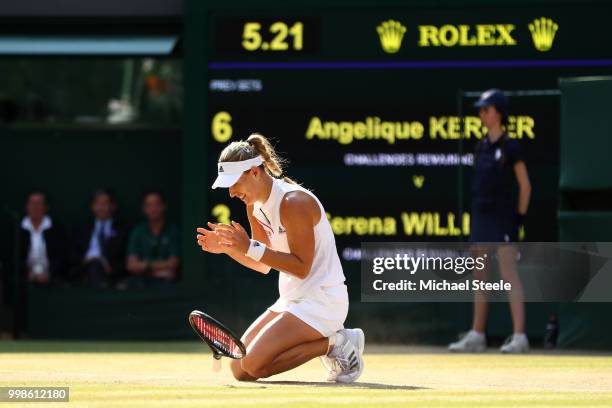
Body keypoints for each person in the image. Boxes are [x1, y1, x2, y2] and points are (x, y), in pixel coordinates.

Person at [196, 133, 364, 383]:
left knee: (254, 364)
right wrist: (230, 248)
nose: (231, 193)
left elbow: (302, 268)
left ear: (254, 172)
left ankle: (335, 343)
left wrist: (248, 246)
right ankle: (331, 342)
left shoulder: (294, 202)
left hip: (323, 301)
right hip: (292, 299)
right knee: (240, 370)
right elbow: (263, 264)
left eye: (234, 183)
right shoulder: (253, 206)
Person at [449, 89, 532, 354]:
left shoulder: (511, 146)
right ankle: (477, 335)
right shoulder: (481, 145)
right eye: (480, 110)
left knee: (509, 274)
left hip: (504, 217)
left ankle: (520, 336)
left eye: (486, 109)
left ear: (498, 112)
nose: (482, 114)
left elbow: (525, 185)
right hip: (482, 216)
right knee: (480, 277)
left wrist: (518, 218)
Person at [71, 189, 128, 288]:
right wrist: (85, 261)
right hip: (85, 270)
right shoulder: (82, 229)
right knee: (94, 265)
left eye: (105, 203)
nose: (101, 207)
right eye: (97, 203)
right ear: (92, 207)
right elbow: (73, 255)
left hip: (111, 273)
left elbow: (125, 257)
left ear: (113, 206)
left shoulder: (122, 229)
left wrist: (109, 266)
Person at [125, 190, 180, 287]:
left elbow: (174, 263)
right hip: (141, 282)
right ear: (144, 208)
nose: (153, 209)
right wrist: (154, 269)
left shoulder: (173, 231)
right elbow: (131, 265)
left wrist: (143, 266)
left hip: (167, 284)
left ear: (164, 206)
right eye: (149, 205)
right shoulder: (138, 231)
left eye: (157, 204)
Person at [19, 191, 68, 285]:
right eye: (32, 203)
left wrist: (48, 274)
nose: (35, 207)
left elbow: (62, 257)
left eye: (39, 203)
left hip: (52, 278)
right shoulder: (18, 230)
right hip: (24, 279)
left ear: (45, 207)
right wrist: (28, 274)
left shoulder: (56, 229)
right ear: (27, 206)